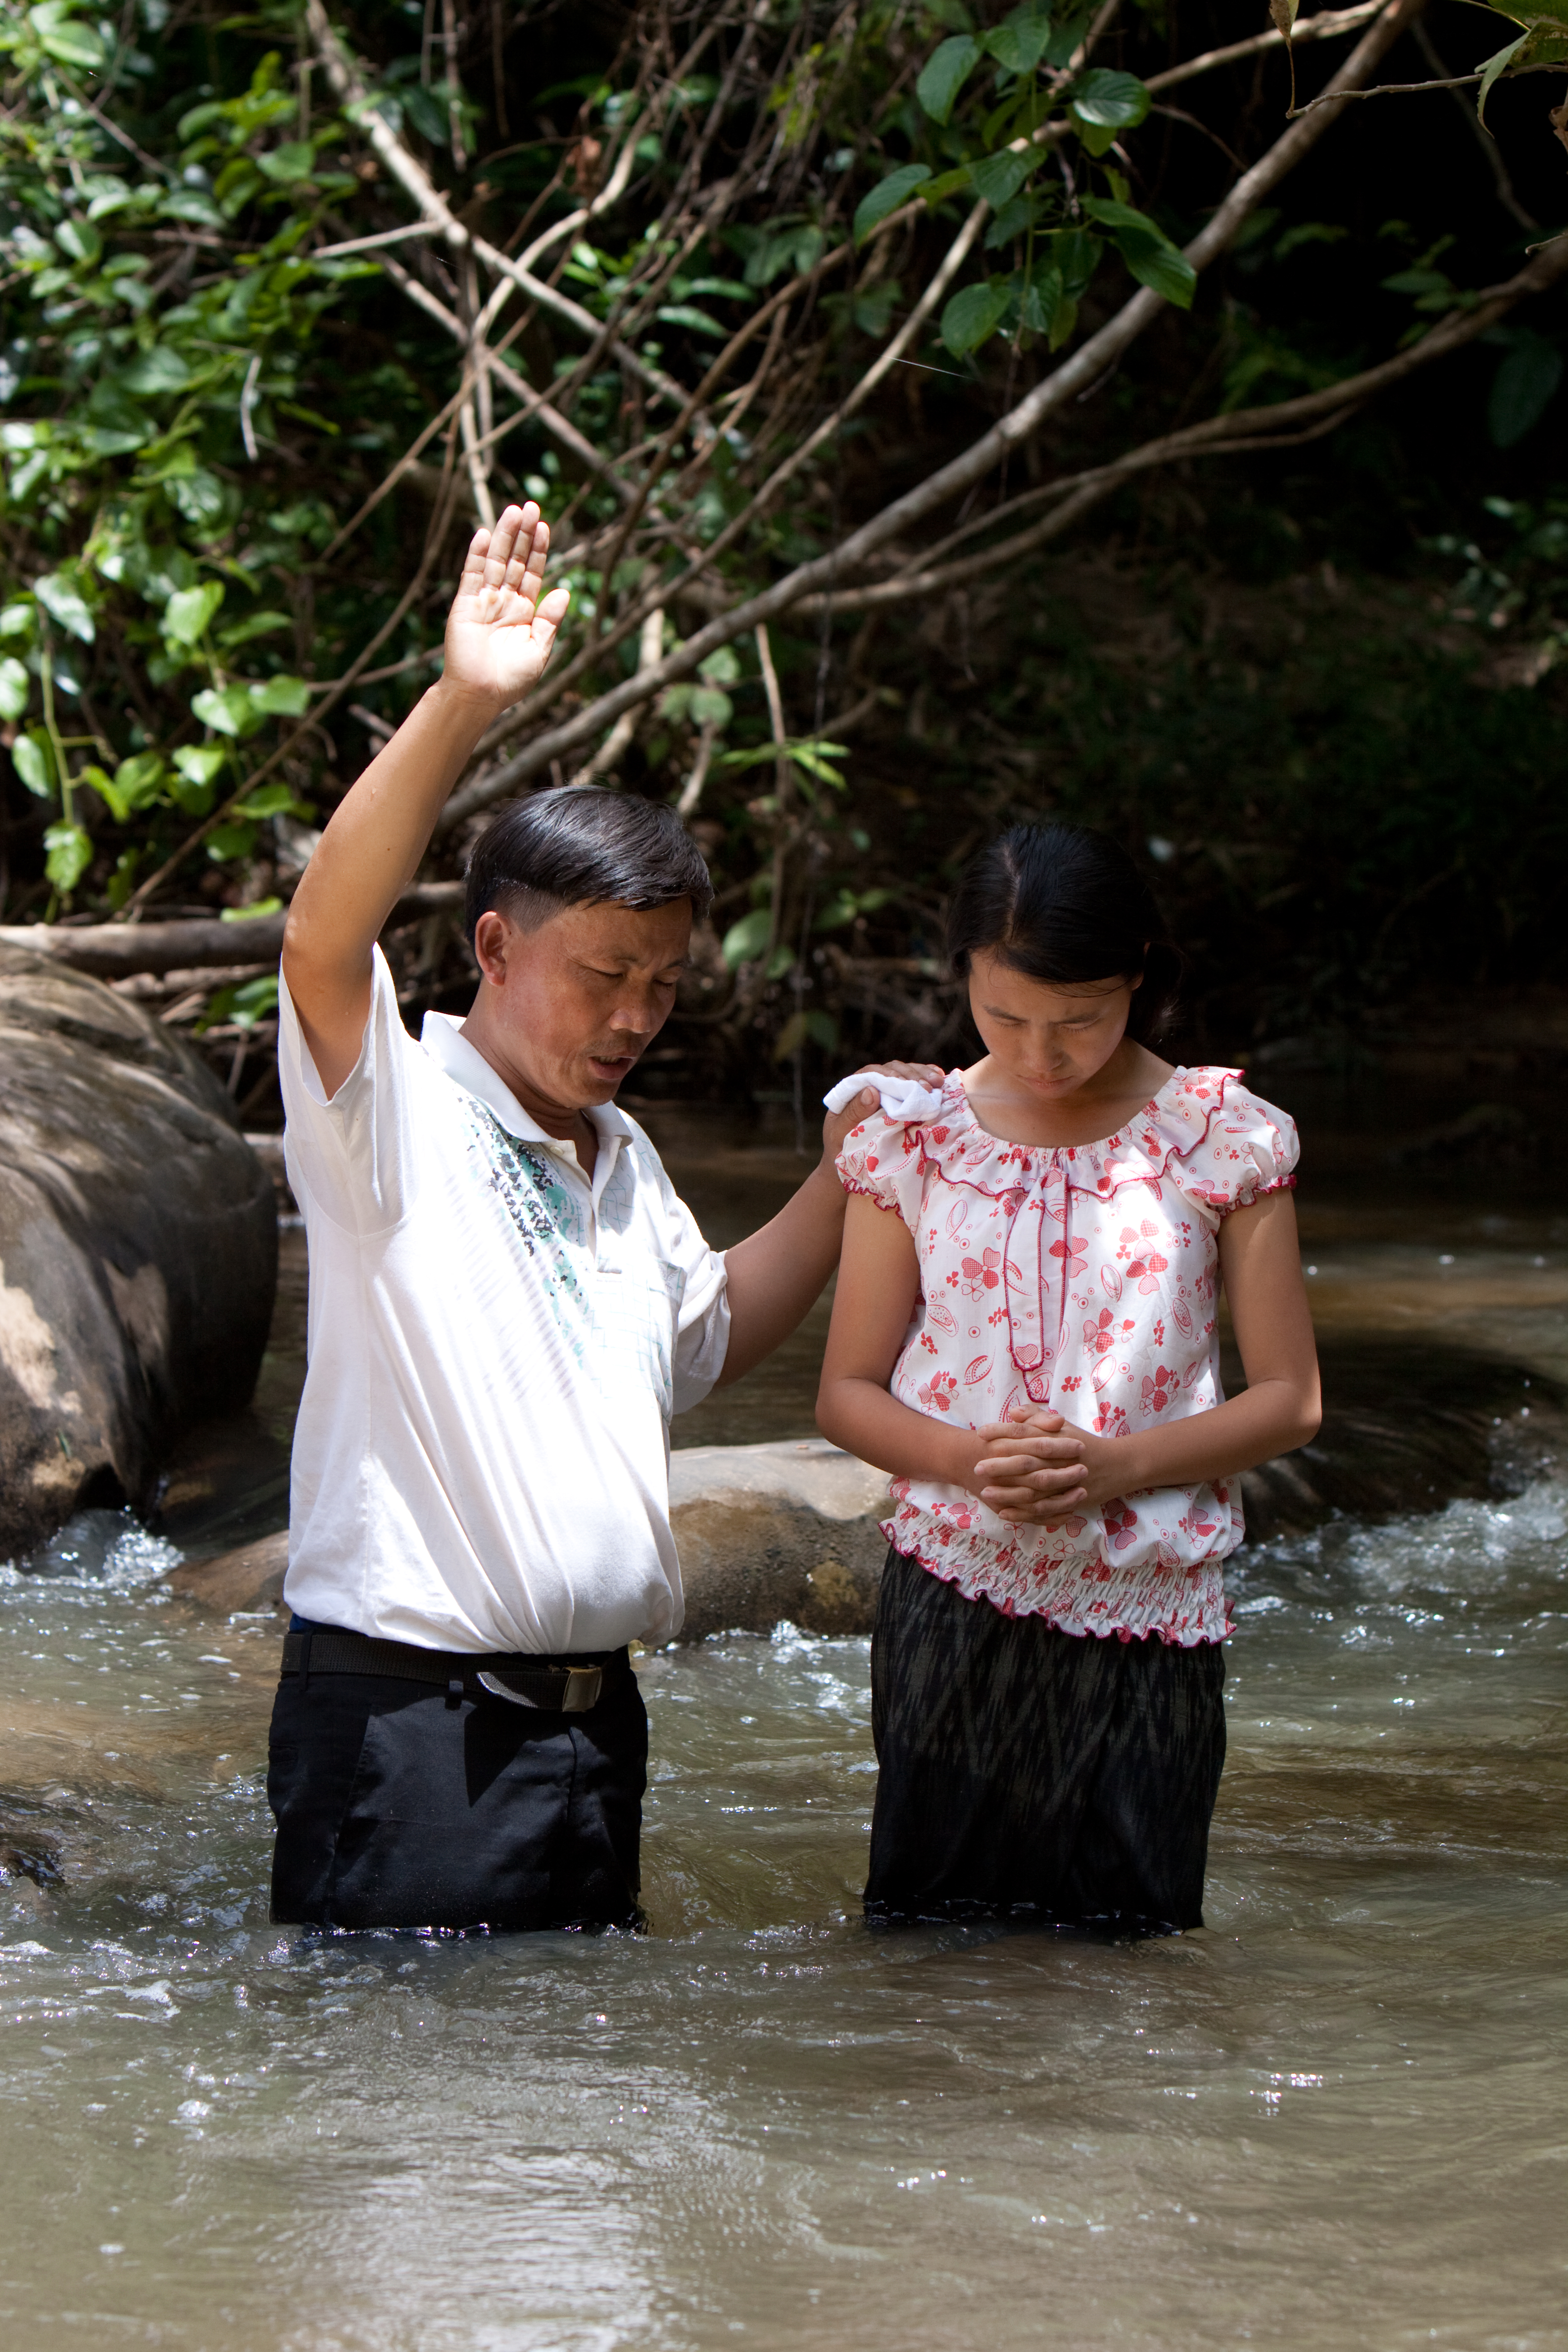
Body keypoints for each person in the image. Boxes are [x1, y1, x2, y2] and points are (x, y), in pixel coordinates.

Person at [269, 500, 929, 1935]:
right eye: (606, 974)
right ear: (495, 948)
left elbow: (704, 1341)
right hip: (412, 1721)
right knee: (417, 2123)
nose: (639, 1015)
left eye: (668, 983)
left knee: (571, 2114)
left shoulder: (622, 1158)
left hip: (591, 1728)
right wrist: (463, 698)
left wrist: (850, 1171)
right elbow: (322, 939)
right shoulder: (391, 1116)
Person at [816, 822, 1321, 1932]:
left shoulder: (1220, 1136)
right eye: (1005, 1018)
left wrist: (1117, 1467)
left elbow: (1291, 1398)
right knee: (930, 1948)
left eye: (1080, 1021)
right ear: (961, 981)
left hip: (1150, 1601)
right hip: (953, 1591)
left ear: (1139, 974)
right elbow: (846, 1389)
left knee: (1131, 1958)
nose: (1042, 1055)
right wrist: (970, 1461)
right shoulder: (917, 1138)